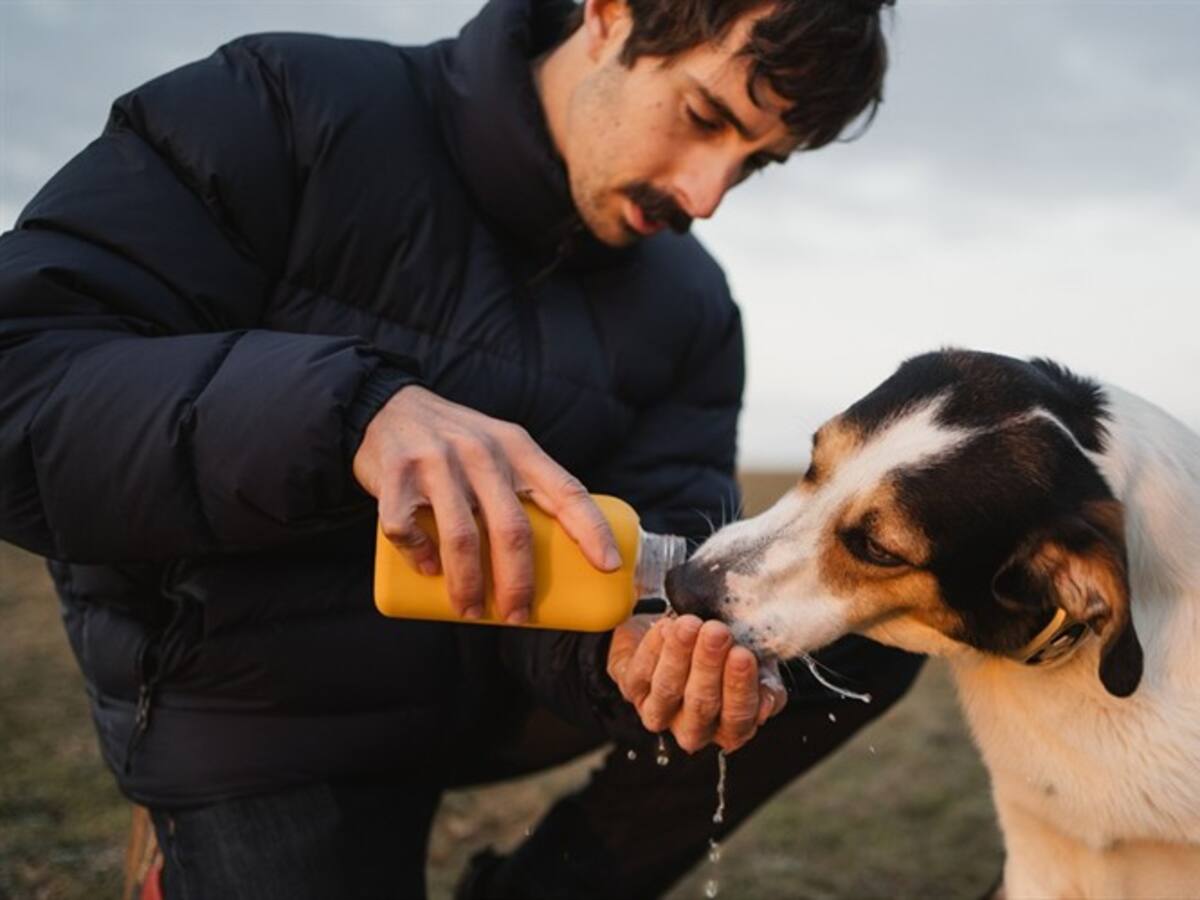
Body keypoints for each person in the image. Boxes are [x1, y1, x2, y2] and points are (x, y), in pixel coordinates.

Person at [0, 0, 923, 897]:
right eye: (703, 116)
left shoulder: (693, 304)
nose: (706, 195)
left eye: (757, 164)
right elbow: (23, 380)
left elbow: (661, 527)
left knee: (856, 629)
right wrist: (347, 414)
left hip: (500, 686)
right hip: (264, 708)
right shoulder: (279, 104)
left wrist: (644, 650)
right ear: (608, 16)